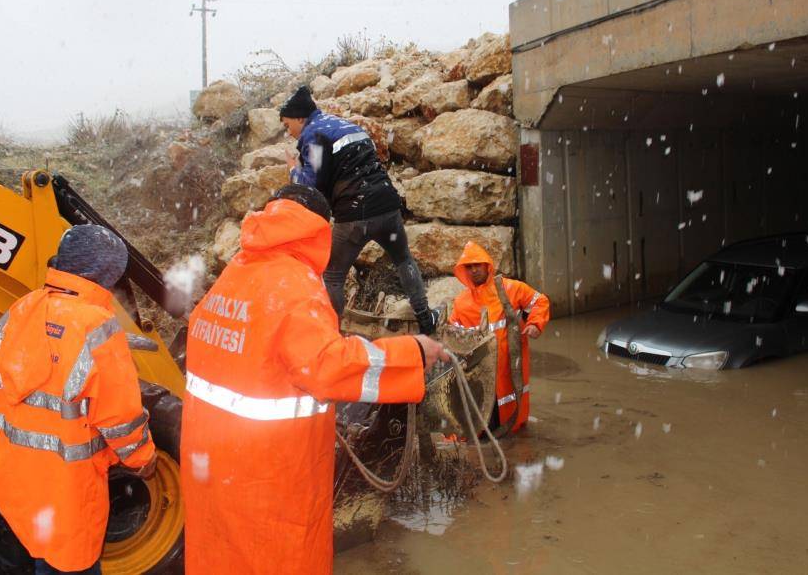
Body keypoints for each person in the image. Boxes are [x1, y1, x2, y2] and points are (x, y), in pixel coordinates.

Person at [180, 184, 449, 575]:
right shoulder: (296, 287)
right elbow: (326, 366)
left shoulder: (232, 278)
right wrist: (413, 353)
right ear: (319, 230)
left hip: (211, 467)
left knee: (219, 557)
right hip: (270, 475)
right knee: (282, 559)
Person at [0, 224, 156, 575]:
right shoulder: (97, 327)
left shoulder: (22, 310)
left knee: (41, 549)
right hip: (69, 483)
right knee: (73, 562)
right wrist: (143, 458)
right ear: (107, 274)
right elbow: (119, 416)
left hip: (18, 471)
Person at [279, 85, 440, 334]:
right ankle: (426, 320)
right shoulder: (345, 125)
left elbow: (310, 186)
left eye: (288, 125)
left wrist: (293, 170)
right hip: (387, 206)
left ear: (300, 117)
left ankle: (330, 334)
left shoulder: (313, 134)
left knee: (332, 276)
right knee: (403, 259)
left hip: (355, 214)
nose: (289, 133)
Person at [450, 241, 550, 434]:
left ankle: (510, 438)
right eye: (468, 267)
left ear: (487, 265)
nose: (473, 270)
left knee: (510, 408)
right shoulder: (461, 302)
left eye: (476, 265)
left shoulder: (510, 289)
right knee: (482, 411)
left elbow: (539, 301)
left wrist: (535, 324)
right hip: (479, 369)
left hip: (509, 365)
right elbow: (453, 335)